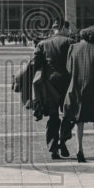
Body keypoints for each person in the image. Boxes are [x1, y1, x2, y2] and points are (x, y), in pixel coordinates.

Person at [60, 26, 94, 162]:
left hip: (76, 87)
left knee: (79, 119)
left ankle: (79, 149)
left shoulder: (73, 47)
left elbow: (69, 68)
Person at [33, 20, 74, 159]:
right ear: (63, 28)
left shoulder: (42, 44)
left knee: (53, 116)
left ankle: (53, 148)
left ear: (54, 28)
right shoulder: (70, 42)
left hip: (49, 84)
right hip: (68, 83)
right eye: (68, 29)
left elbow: (35, 64)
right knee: (69, 114)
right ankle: (63, 139)